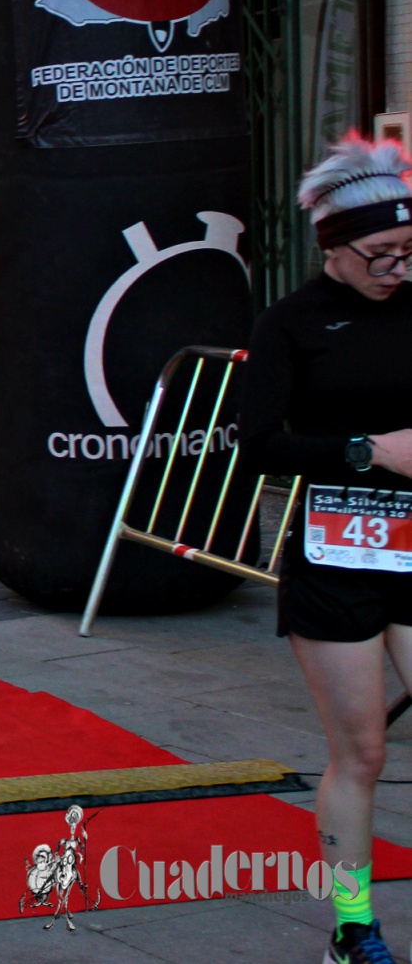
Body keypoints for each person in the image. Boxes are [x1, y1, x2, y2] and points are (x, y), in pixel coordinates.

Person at [239, 133, 412, 964]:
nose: (395, 269)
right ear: (334, 253)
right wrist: (366, 450)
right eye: (379, 254)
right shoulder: (291, 323)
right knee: (364, 751)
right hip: (338, 550)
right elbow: (256, 442)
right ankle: (353, 925)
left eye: (409, 252)